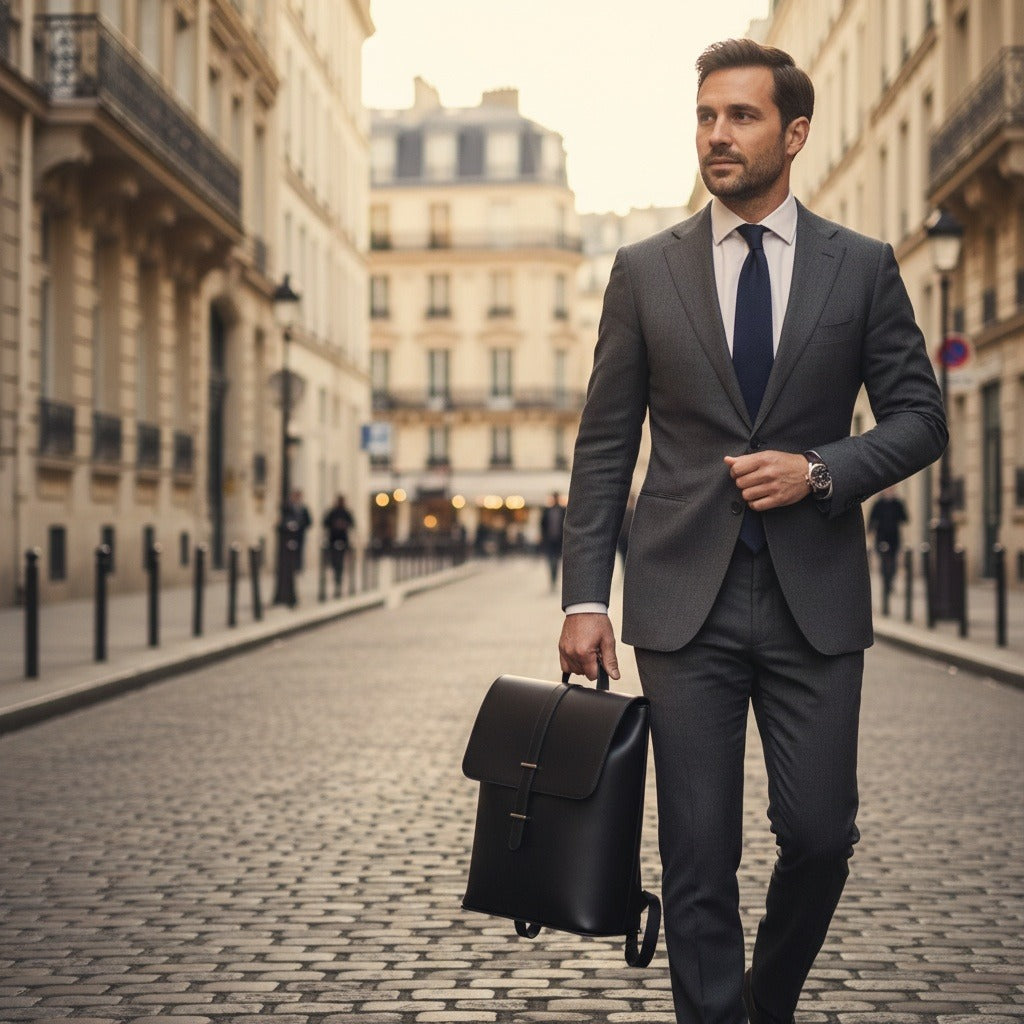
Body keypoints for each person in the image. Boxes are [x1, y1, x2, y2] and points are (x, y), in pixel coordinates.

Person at [558, 39, 946, 1024]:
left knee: (820, 835)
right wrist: (583, 596)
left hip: (814, 602)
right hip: (680, 604)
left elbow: (918, 416)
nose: (717, 135)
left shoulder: (858, 268)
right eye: (705, 116)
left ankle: (761, 1005)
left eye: (740, 116)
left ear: (794, 132)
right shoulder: (644, 271)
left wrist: (820, 469)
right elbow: (605, 445)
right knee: (696, 853)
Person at [868, 486, 909, 603]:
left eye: (892, 489)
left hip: (894, 537)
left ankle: (890, 581)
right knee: (884, 561)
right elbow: (872, 519)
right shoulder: (878, 504)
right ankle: (886, 583)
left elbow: (905, 518)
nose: (889, 491)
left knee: (893, 562)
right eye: (888, 489)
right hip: (881, 537)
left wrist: (900, 505)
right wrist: (869, 531)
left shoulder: (897, 503)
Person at [323, 494, 355, 597]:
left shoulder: (346, 512)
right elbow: (325, 523)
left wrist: (344, 524)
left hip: (343, 541)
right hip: (333, 541)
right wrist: (334, 524)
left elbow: (352, 523)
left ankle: (339, 581)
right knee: (334, 562)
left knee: (340, 563)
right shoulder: (332, 512)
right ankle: (337, 579)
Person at [539, 492, 566, 591]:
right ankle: (552, 581)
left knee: (557, 562)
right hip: (549, 540)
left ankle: (555, 579)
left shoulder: (563, 510)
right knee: (550, 562)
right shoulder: (547, 511)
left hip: (559, 541)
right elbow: (542, 525)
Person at [283, 489, 312, 571]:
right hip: (289, 534)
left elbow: (308, 521)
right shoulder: (288, 507)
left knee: (299, 550)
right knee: (290, 550)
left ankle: (298, 566)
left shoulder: (303, 508)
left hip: (300, 533)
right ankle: (290, 565)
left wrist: (301, 525)